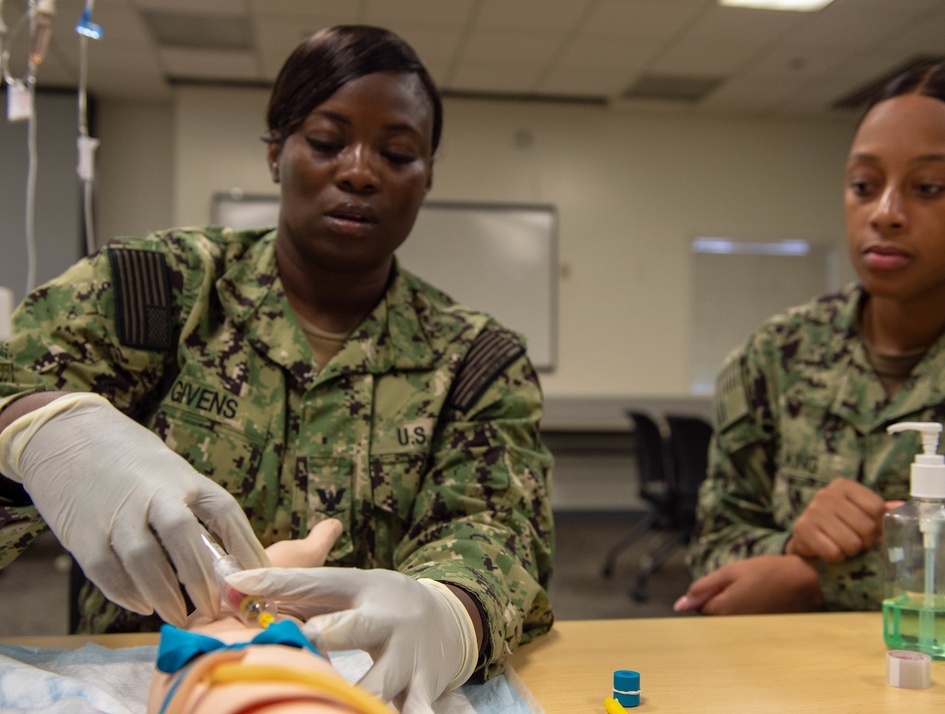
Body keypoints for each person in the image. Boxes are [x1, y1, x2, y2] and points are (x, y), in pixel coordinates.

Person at [0, 24, 554, 712]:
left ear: (428, 177)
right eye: (326, 142)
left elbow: (499, 530)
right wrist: (33, 432)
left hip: (360, 688)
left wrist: (452, 609)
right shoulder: (153, 292)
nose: (359, 170)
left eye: (399, 153)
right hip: (154, 681)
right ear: (275, 152)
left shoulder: (475, 360)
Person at [676, 63, 945, 618]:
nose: (886, 213)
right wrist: (793, 544)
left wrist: (819, 578)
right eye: (863, 186)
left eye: (927, 188)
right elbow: (714, 555)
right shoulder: (774, 358)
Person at [147, 519, 394, 714]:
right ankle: (292, 570)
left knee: (212, 618)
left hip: (202, 657)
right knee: (241, 611)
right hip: (288, 657)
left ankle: (291, 566)